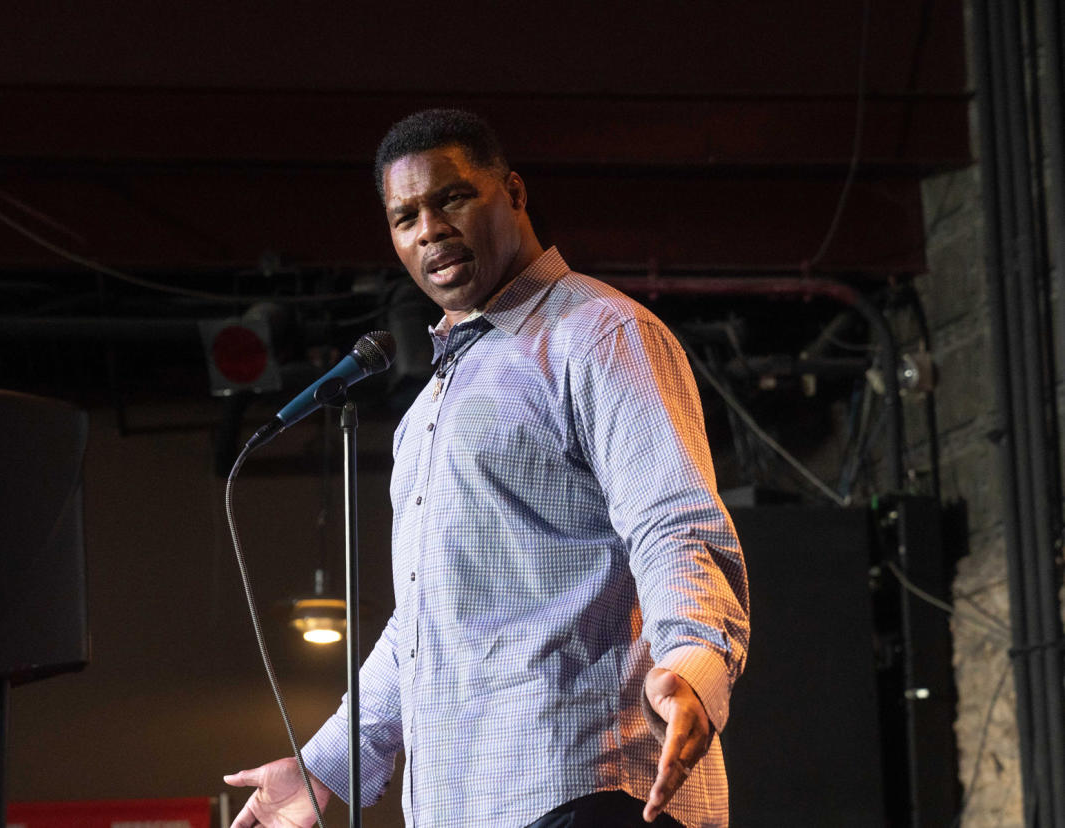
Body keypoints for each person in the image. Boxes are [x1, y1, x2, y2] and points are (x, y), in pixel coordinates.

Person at [225, 109, 749, 828]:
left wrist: (693, 663)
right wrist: (327, 768)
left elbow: (673, 521)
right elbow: (425, 620)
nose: (429, 229)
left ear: (515, 193)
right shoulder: (428, 409)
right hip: (465, 802)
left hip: (583, 783)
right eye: (404, 216)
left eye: (452, 198)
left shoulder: (598, 333)